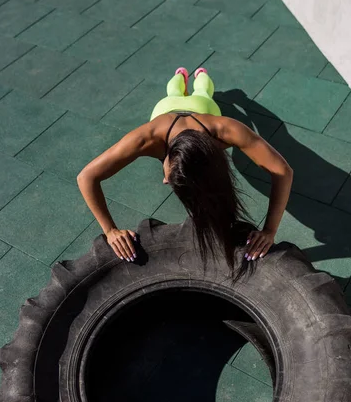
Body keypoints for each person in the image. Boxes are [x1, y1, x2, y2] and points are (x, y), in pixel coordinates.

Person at [77, 67, 293, 274]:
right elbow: (86, 177)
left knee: (203, 92)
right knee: (173, 92)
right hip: (167, 106)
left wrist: (269, 231)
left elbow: (284, 171)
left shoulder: (225, 130)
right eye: (169, 179)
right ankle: (181, 75)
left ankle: (201, 75)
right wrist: (110, 231)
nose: (165, 182)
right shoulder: (146, 138)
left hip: (203, 106)